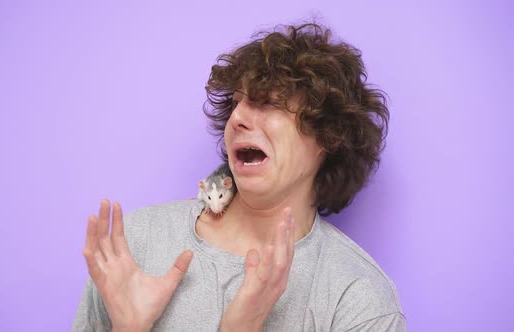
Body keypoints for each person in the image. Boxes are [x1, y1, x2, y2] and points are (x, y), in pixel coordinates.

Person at [72, 22, 406, 332]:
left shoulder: (359, 299)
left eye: (267, 103)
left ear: (328, 136)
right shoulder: (135, 244)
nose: (238, 119)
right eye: (236, 103)